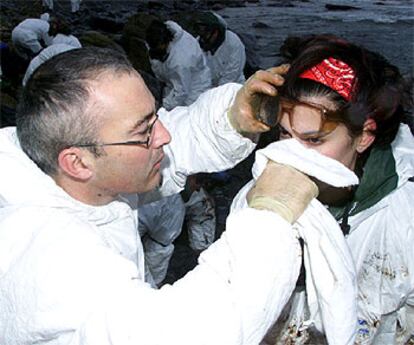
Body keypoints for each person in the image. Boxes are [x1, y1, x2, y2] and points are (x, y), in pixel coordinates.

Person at [0, 46, 320, 344]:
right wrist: (269, 220)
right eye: (145, 133)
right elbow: (182, 334)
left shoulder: (64, 172)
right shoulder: (49, 254)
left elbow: (173, 140)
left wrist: (232, 117)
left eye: (155, 117)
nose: (163, 135)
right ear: (77, 162)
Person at [230, 35, 414, 344]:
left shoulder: (405, 216)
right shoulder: (256, 197)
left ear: (364, 137)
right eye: (285, 135)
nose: (293, 155)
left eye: (313, 140)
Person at [145, 19, 212, 110]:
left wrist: (162, 107)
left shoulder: (181, 60)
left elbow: (181, 91)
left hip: (194, 90)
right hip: (171, 82)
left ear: (166, 41)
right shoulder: (157, 39)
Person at [194, 11, 246, 86]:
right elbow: (197, 73)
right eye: (200, 31)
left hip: (234, 86)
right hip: (208, 88)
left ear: (216, 32)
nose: (203, 38)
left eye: (206, 33)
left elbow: (232, 73)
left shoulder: (233, 42)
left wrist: (217, 93)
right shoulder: (197, 44)